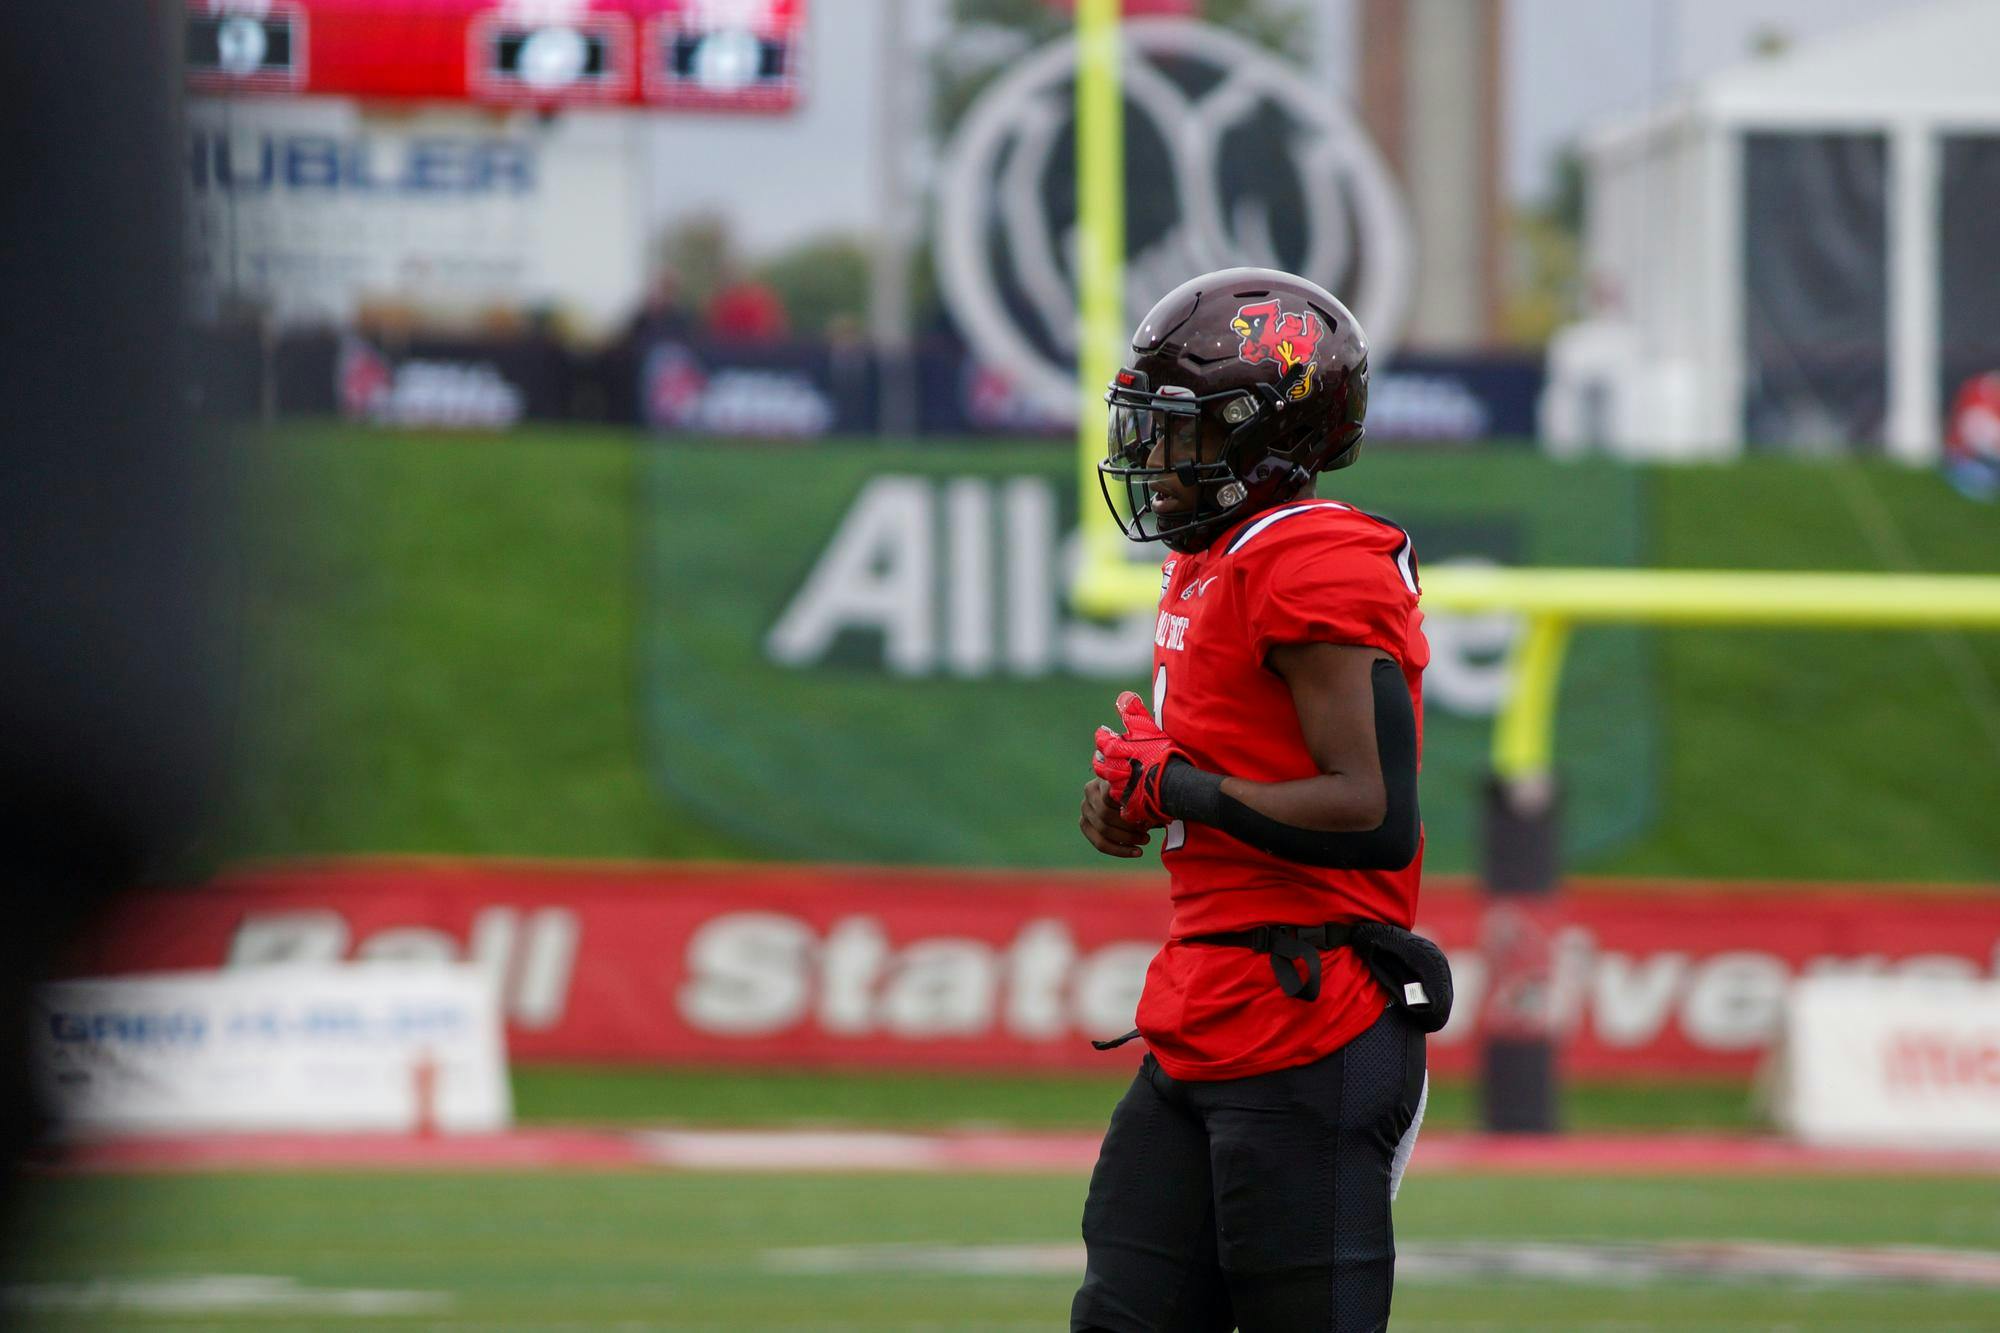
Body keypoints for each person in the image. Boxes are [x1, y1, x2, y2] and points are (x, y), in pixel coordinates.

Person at [1071, 268, 1437, 1333]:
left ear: (1261, 436)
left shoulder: (1311, 557)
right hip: (1205, 1007)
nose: (1150, 460)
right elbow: (1228, 776)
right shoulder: (1212, 561)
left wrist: (1178, 783)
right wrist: (1132, 802)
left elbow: (1373, 812)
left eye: (1181, 433)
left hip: (1308, 1022)